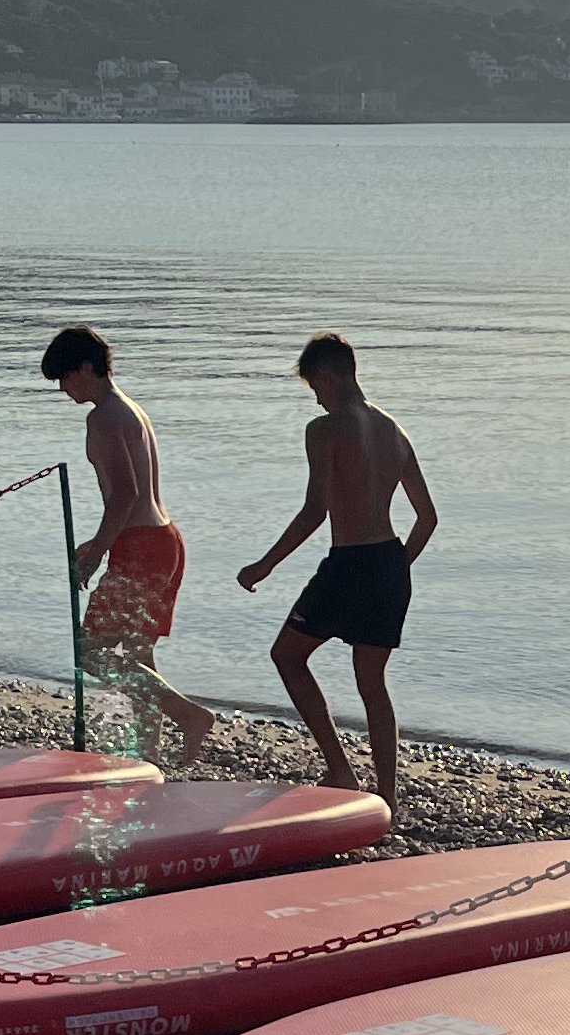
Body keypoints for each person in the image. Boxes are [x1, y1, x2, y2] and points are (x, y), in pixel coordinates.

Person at [236, 332, 439, 812]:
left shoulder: (324, 429)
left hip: (349, 564)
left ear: (325, 375)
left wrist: (263, 566)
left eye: (315, 388)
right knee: (372, 682)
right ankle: (386, 797)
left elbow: (314, 511)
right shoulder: (395, 430)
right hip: (389, 563)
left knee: (287, 656)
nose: (317, 398)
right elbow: (427, 518)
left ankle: (341, 769)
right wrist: (394, 571)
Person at [43, 323, 214, 766]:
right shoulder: (130, 409)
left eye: (64, 378)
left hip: (141, 545)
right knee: (138, 657)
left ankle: (189, 714)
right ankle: (147, 757)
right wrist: (103, 544)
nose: (63, 390)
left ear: (85, 367)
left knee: (94, 652)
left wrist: (97, 550)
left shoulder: (103, 416)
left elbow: (126, 494)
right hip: (164, 540)